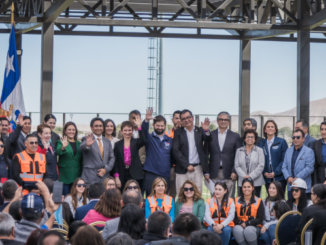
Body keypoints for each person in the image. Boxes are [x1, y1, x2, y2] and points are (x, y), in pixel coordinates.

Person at [172, 109, 211, 195]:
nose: (186, 120)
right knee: (182, 195)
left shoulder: (200, 130)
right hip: (182, 169)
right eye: (183, 119)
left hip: (197, 169)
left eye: (188, 117)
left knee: (197, 195)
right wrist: (186, 165)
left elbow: (209, 140)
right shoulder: (177, 132)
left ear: (192, 118)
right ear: (181, 121)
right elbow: (175, 150)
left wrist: (206, 131)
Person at [206, 111, 241, 198]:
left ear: (229, 122)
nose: (223, 121)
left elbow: (238, 155)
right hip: (214, 172)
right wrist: (206, 171)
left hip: (229, 173)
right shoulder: (210, 135)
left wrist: (234, 171)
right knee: (214, 197)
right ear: (217, 121)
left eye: (226, 119)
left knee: (229, 198)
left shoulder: (235, 136)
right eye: (221, 119)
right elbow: (205, 154)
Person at [142, 108, 173, 196]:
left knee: (163, 198)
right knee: (150, 197)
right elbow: (143, 130)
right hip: (150, 173)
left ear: (165, 126)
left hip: (165, 174)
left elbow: (172, 156)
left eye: (161, 126)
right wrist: (146, 120)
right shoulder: (149, 138)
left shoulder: (170, 140)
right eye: (157, 125)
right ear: (153, 125)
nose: (160, 128)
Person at [113, 117, 145, 190]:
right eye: (125, 130)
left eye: (130, 130)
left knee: (135, 194)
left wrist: (139, 126)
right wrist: (117, 177)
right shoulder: (117, 144)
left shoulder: (136, 142)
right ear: (121, 131)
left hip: (135, 174)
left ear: (132, 131)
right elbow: (116, 162)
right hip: (122, 174)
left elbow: (143, 140)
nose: (127, 132)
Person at [80, 117, 115, 184]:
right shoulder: (86, 138)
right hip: (90, 177)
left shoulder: (107, 141)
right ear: (91, 127)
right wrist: (87, 145)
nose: (98, 128)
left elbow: (112, 158)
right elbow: (82, 147)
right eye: (96, 126)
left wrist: (106, 169)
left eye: (100, 126)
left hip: (105, 178)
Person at [282, 129, 315, 199]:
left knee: (303, 209)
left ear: (303, 139)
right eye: (293, 137)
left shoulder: (309, 151)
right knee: (291, 209)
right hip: (291, 187)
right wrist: (288, 177)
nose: (295, 139)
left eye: (298, 137)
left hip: (303, 188)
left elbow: (309, 167)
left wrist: (297, 178)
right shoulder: (288, 150)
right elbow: (284, 167)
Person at [258, 120, 288, 192]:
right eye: (268, 127)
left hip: (279, 177)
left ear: (275, 130)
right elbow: (259, 160)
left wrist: (275, 173)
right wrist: (264, 172)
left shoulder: (282, 142)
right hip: (267, 178)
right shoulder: (261, 144)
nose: (270, 128)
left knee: (280, 198)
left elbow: (285, 159)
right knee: (270, 198)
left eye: (272, 127)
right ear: (265, 130)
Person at [233, 178, 265, 245]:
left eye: (248, 187)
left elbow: (260, 218)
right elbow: (233, 217)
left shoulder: (258, 200)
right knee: (236, 229)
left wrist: (247, 223)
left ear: (253, 187)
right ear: (242, 188)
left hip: (254, 226)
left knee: (248, 230)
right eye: (244, 187)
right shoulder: (236, 200)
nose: (246, 189)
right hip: (240, 224)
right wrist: (240, 222)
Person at [235, 129, 265, 196]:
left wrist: (250, 176)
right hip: (242, 181)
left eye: (252, 137)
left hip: (256, 182)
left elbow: (261, 166)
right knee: (242, 202)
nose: (250, 138)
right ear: (244, 139)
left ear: (255, 139)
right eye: (248, 137)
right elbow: (237, 166)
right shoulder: (239, 150)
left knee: (255, 202)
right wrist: (245, 177)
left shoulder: (259, 150)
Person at [56, 122, 83, 196]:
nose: (71, 131)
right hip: (64, 176)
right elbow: (58, 152)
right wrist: (63, 147)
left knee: (75, 199)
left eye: (73, 130)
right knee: (65, 199)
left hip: (76, 176)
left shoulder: (79, 144)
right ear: (65, 131)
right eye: (69, 129)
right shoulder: (60, 142)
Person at [204, 181, 234, 245]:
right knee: (210, 229)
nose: (217, 191)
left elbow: (231, 216)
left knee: (226, 230)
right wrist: (213, 225)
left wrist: (222, 225)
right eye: (216, 189)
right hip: (213, 226)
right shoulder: (209, 201)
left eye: (220, 189)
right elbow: (207, 216)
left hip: (226, 226)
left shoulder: (230, 201)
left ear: (225, 191)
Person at [165, 110, 181, 199]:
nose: (178, 120)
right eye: (176, 118)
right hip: (170, 168)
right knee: (170, 193)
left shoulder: (186, 133)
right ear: (172, 120)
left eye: (180, 118)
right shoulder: (166, 134)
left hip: (183, 167)